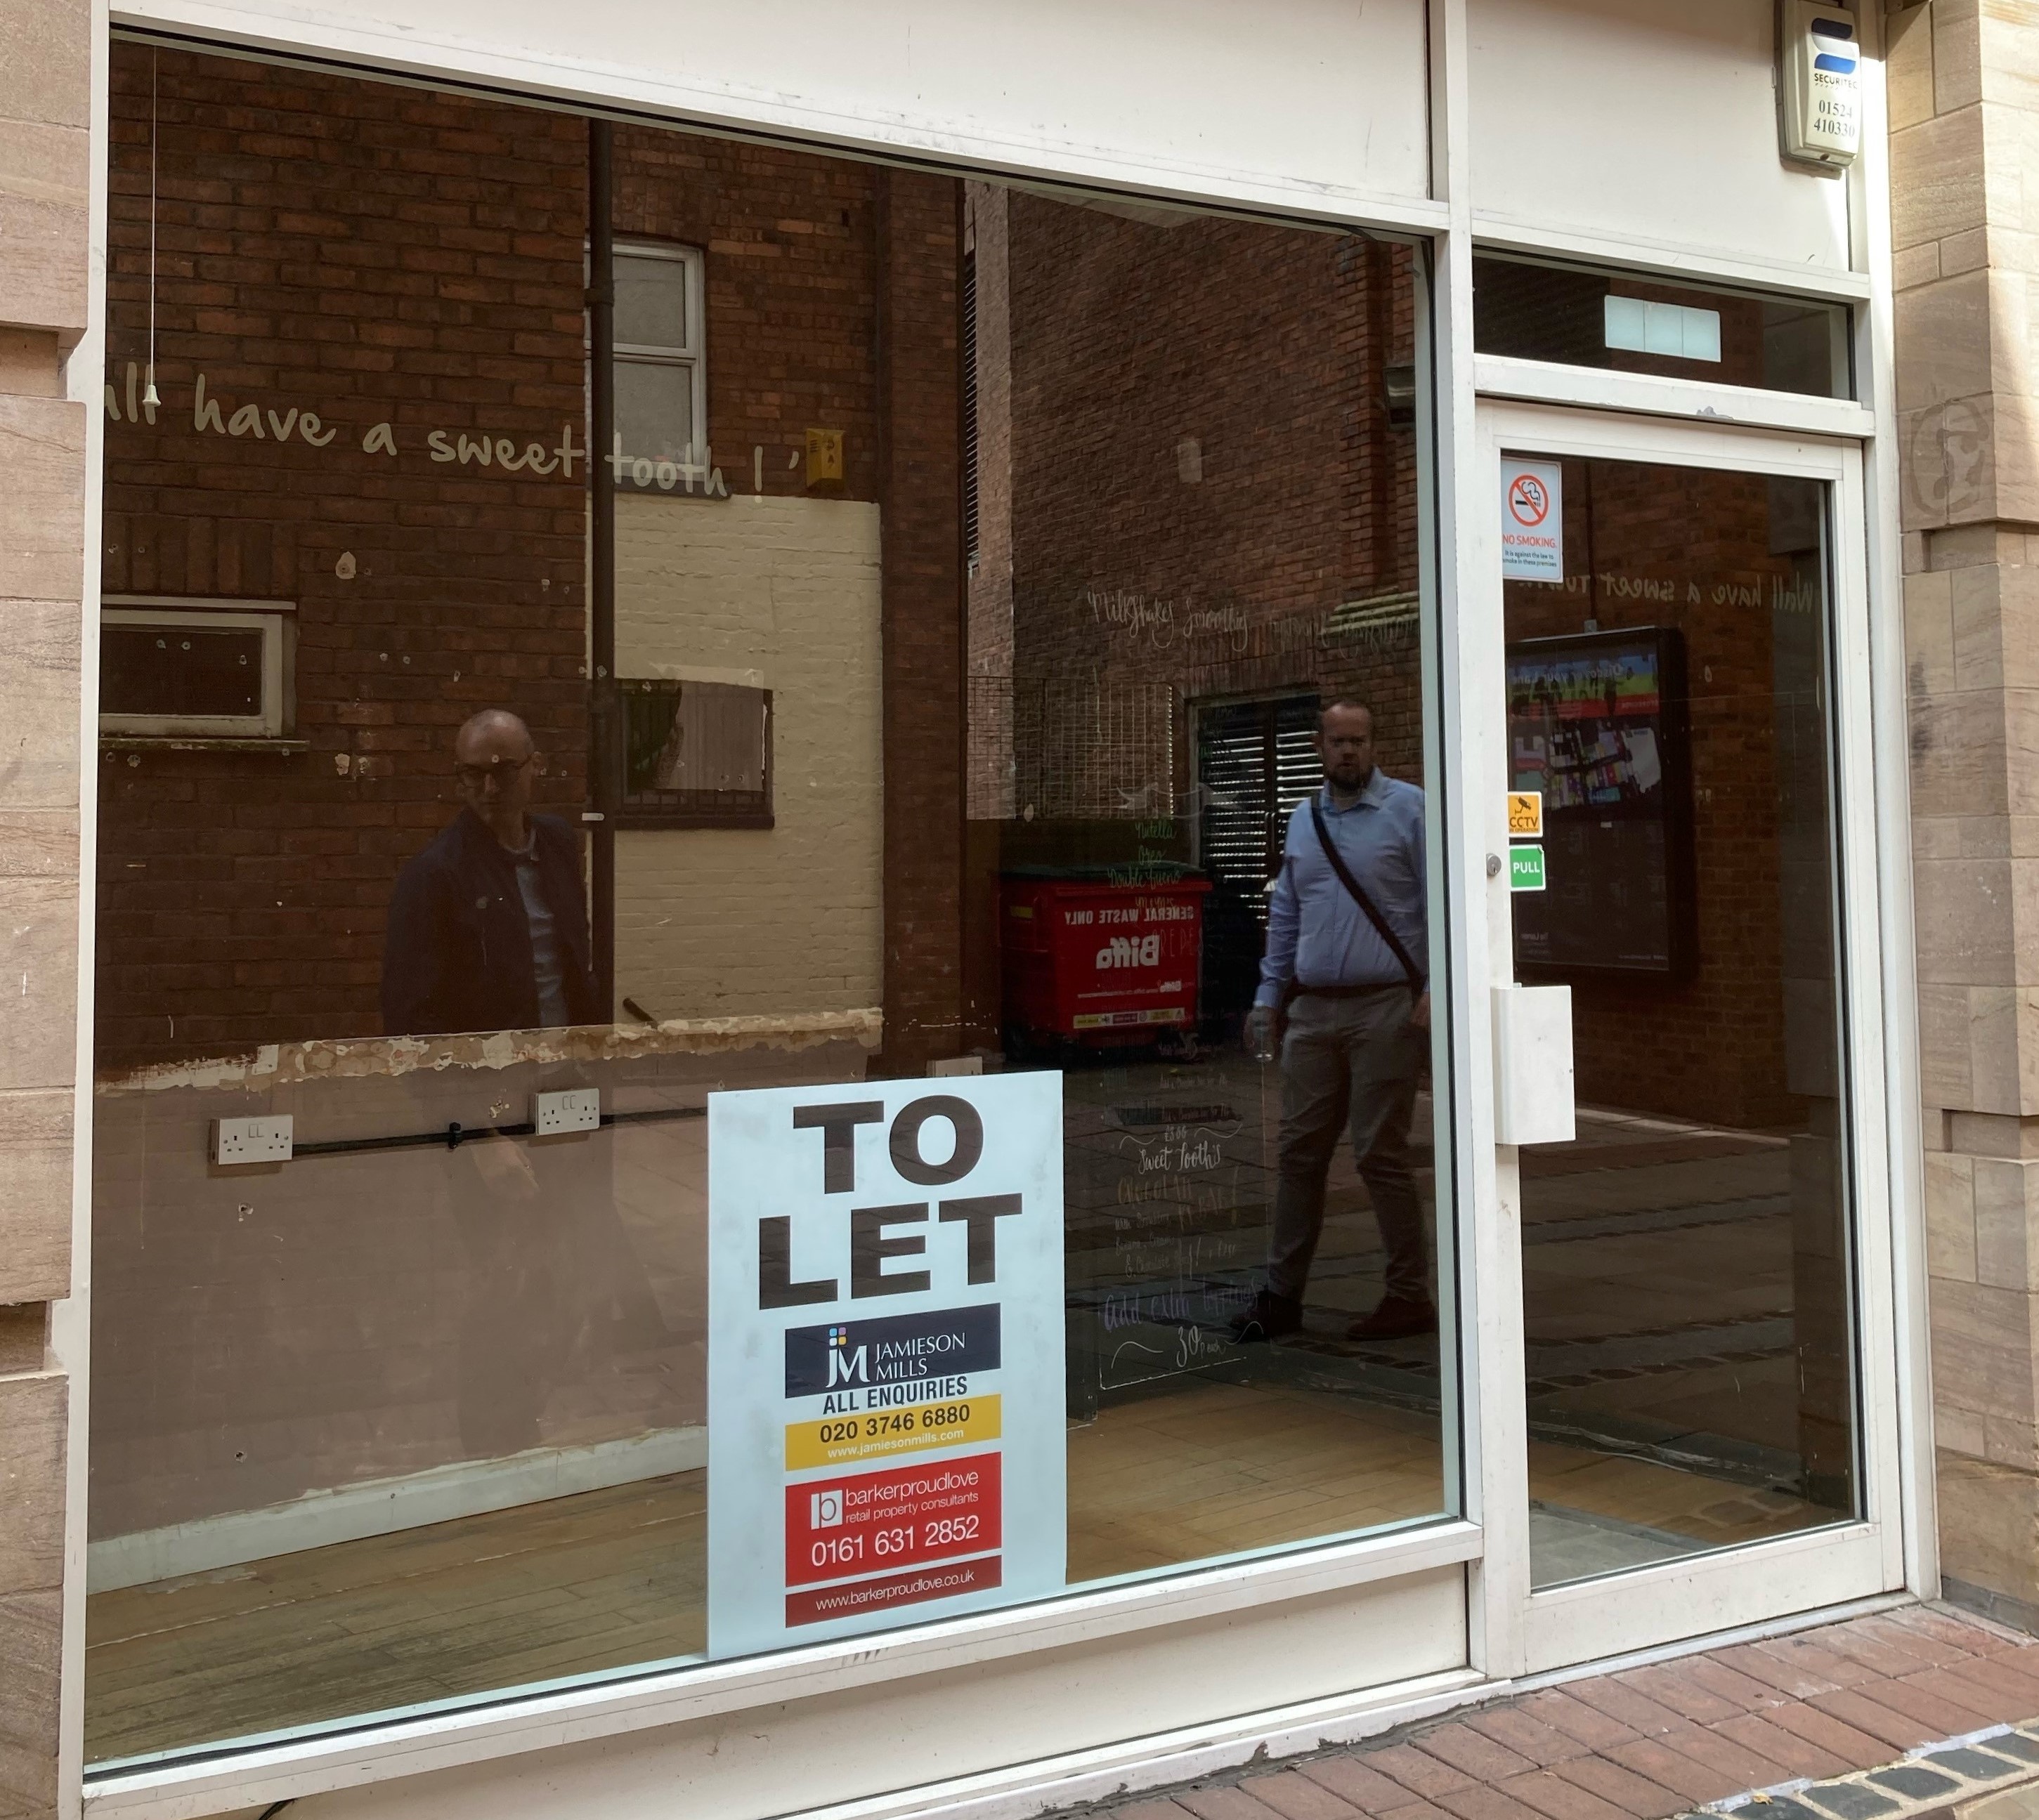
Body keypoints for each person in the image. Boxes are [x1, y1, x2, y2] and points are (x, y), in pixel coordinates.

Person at [1235, 699, 1435, 1344]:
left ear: (1374, 745)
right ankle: (1282, 1294)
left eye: (1360, 740)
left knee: (1380, 1152)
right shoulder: (1303, 819)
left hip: (1386, 1007)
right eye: (1338, 741)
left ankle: (1408, 1295)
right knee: (1300, 1153)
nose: (1349, 751)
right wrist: (1269, 997)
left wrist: (1434, 986)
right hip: (1314, 1010)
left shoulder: (1410, 809)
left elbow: (1446, 903)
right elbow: (1287, 916)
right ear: (1318, 746)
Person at [382, 708, 601, 1035]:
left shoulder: (556, 843)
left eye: (504, 772)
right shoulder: (436, 873)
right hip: (488, 1073)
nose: (489, 788)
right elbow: (408, 1010)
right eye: (472, 774)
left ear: (536, 765)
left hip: (568, 1063)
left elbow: (573, 958)